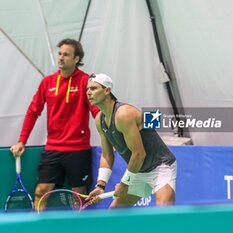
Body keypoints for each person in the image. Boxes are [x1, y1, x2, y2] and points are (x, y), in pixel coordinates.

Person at [10, 38, 100, 209]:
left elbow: (96, 111)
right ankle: (38, 227)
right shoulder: (47, 82)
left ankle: (80, 227)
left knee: (79, 195)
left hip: (78, 149)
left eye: (66, 55)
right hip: (53, 148)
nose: (60, 58)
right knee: (40, 191)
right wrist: (22, 140)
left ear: (76, 59)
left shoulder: (85, 81)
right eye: (59, 54)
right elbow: (33, 112)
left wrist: (111, 133)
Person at [86, 73, 177, 207]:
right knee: (114, 213)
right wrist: (100, 185)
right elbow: (106, 155)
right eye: (87, 89)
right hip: (139, 171)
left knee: (163, 213)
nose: (88, 93)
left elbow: (139, 154)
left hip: (160, 167)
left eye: (93, 88)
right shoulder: (99, 119)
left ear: (107, 91)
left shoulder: (124, 114)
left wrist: (124, 184)